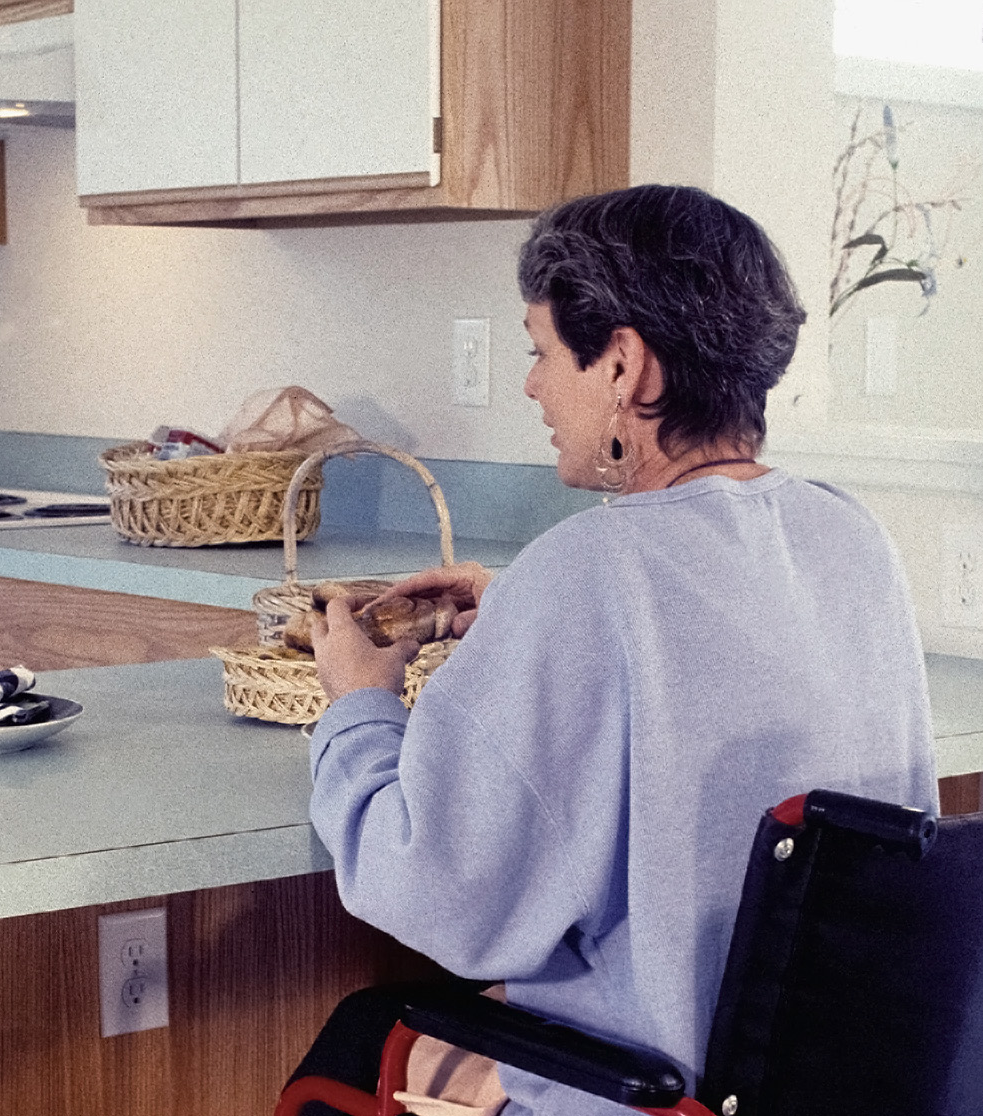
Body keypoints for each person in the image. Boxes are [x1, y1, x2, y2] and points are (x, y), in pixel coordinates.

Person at [292, 184, 939, 1116]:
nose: (531, 385)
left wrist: (358, 704)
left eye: (541, 349)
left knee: (360, 1037)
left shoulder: (589, 568)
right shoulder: (848, 533)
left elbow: (439, 892)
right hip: (835, 1080)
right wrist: (527, 619)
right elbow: (713, 668)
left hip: (659, 1090)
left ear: (625, 366)